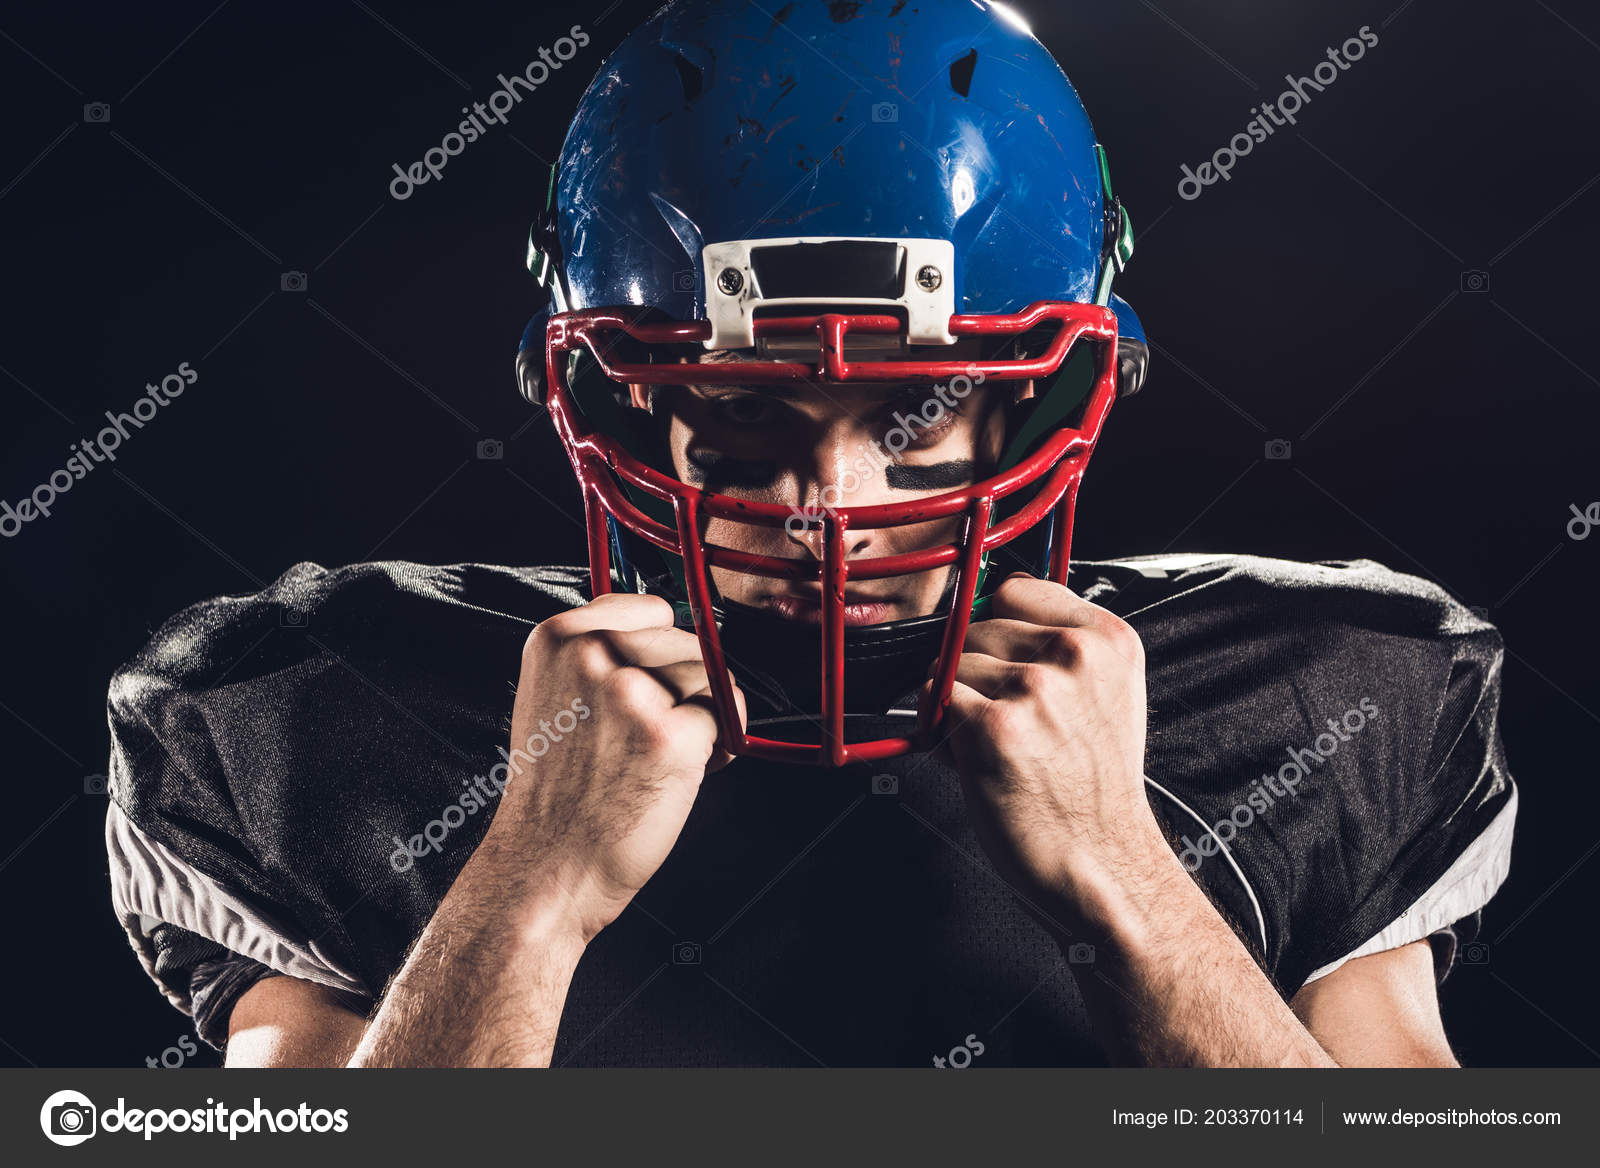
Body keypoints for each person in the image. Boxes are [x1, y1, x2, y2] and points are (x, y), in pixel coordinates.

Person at [105, 0, 1514, 1067]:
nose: (825, 503)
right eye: (740, 419)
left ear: (1032, 408)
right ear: (616, 399)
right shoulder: (308, 706)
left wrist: (1131, 881)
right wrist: (525, 887)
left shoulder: (1331, 689)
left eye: (909, 419)